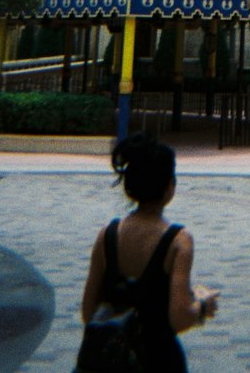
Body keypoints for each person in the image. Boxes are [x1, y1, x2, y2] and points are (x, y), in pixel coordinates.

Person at [80, 134, 218, 371]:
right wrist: (202, 306)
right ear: (169, 187)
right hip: (159, 360)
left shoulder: (108, 235)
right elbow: (179, 318)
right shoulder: (178, 241)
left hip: (113, 361)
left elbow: (88, 311)